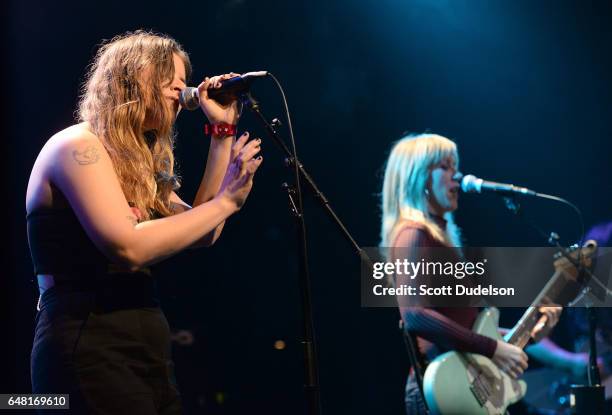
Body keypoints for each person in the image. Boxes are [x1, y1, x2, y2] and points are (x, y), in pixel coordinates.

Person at [26, 30, 263, 414]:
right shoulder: (76, 147)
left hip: (145, 343)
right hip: (87, 341)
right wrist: (226, 202)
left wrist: (221, 135)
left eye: (183, 84)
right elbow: (128, 247)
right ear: (134, 79)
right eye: (172, 84)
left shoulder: (136, 163)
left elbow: (203, 231)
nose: (181, 93)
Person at [379, 133, 561, 414]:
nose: (458, 175)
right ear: (418, 177)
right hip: (442, 389)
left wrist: (531, 333)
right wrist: (492, 348)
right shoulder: (412, 234)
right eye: (446, 167)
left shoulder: (439, 239)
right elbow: (414, 314)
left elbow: (466, 328)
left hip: (465, 385)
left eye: (455, 166)